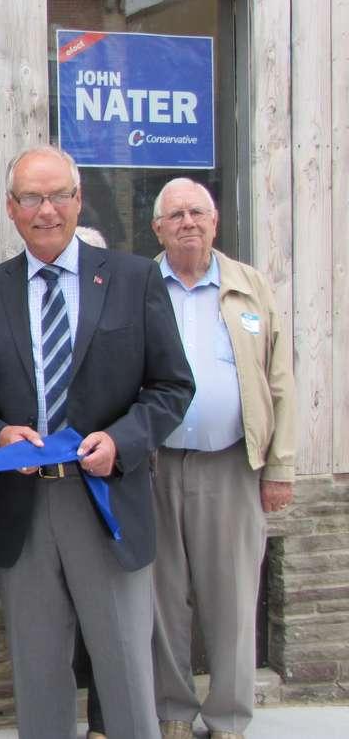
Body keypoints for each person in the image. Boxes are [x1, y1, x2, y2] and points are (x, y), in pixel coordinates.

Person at [0, 145, 194, 739]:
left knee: (126, 676)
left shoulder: (134, 277)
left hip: (106, 499)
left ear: (78, 199)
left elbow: (171, 387)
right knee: (38, 677)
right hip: (21, 505)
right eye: (31, 198)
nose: (47, 210)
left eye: (59, 194)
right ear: (11, 209)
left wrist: (121, 441)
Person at [150, 178, 295, 739]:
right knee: (163, 598)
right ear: (157, 227)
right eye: (175, 214)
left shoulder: (249, 286)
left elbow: (279, 379)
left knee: (233, 596)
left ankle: (230, 716)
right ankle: (174, 713)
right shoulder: (140, 286)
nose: (187, 222)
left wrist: (278, 467)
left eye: (197, 212)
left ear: (215, 222)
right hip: (156, 463)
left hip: (232, 464)